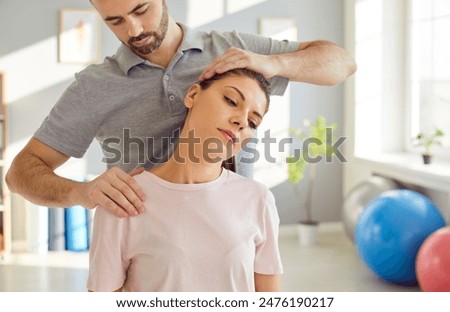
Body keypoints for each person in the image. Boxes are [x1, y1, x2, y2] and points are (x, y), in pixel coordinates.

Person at [5, 0, 357, 218]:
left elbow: (341, 64)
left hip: (230, 236)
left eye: (141, 9)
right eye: (115, 21)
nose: (135, 29)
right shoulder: (93, 87)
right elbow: (20, 173)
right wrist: (79, 192)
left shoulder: (232, 50)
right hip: (143, 250)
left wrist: (270, 63)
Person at [88, 68, 282, 292]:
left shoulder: (258, 199)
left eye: (252, 122)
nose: (241, 121)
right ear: (193, 95)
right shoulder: (123, 199)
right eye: (231, 100)